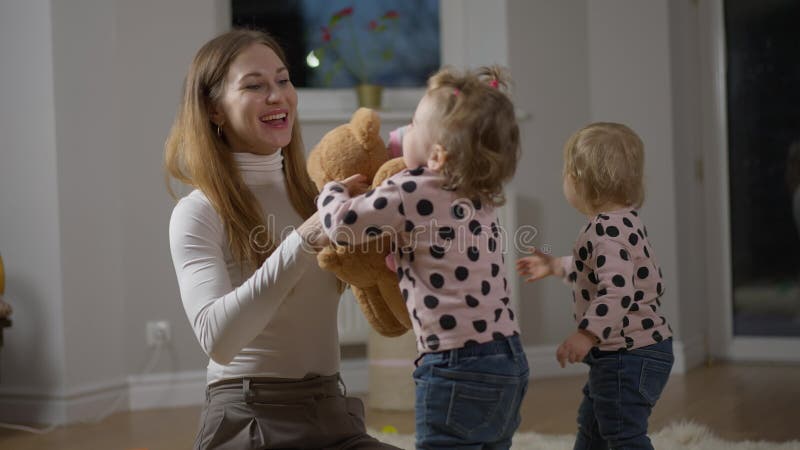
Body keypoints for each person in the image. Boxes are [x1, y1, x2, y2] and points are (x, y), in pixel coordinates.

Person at [165, 29, 400, 450]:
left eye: (283, 80)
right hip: (251, 418)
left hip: (333, 411)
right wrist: (303, 240)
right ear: (214, 109)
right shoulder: (198, 212)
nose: (278, 96)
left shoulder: (316, 196)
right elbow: (218, 340)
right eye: (255, 85)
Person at [317, 66, 529, 449]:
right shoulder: (480, 194)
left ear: (436, 155)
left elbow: (343, 225)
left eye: (413, 124)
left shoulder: (411, 187)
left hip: (454, 362)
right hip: (509, 357)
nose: (404, 131)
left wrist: (333, 190)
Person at [517, 122, 674, 449]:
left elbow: (618, 291)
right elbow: (600, 273)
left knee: (622, 435)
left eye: (565, 171)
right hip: (636, 351)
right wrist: (555, 265)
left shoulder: (604, 231)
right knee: (593, 427)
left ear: (578, 179)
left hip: (626, 355)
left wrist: (586, 334)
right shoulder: (625, 220)